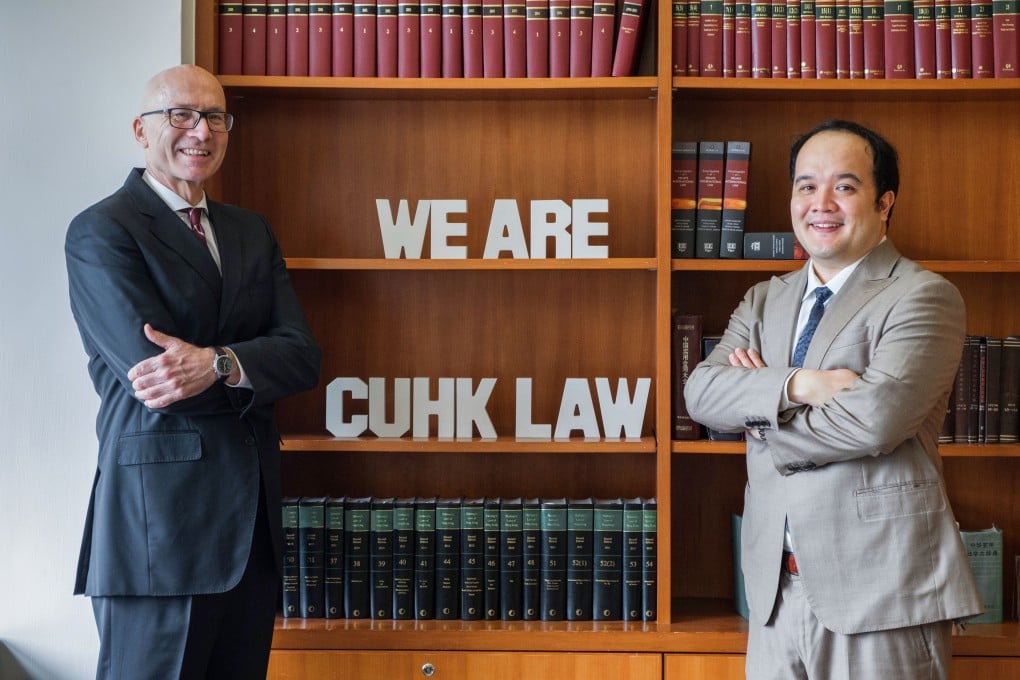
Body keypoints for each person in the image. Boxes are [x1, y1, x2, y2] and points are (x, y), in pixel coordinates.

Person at [684, 119, 983, 679]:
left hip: (881, 592)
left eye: (844, 186)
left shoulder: (922, 296)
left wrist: (757, 412)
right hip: (774, 593)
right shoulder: (763, 299)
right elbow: (700, 392)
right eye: (806, 185)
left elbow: (872, 422)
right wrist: (801, 384)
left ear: (884, 201)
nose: (821, 203)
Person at [65, 64, 322, 679]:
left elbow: (302, 357)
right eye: (181, 115)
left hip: (251, 530)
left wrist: (220, 362)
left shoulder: (249, 231)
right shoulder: (103, 230)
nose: (199, 131)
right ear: (140, 129)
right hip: (159, 534)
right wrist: (248, 369)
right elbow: (158, 380)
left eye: (215, 117)